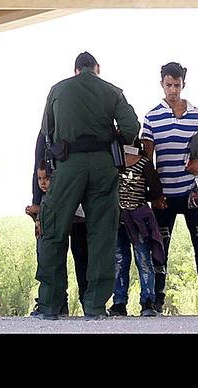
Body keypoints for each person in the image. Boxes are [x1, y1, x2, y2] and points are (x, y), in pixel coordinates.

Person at [34, 51, 141, 320]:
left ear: (75, 70)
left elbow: (48, 130)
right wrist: (115, 138)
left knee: (54, 229)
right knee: (102, 235)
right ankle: (94, 306)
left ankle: (49, 305)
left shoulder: (58, 89)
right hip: (104, 165)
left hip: (69, 165)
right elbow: (131, 126)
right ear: (97, 68)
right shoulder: (113, 91)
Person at [140, 61, 198, 315]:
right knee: (159, 249)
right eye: (169, 85)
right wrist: (154, 194)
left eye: (177, 85)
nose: (173, 90)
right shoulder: (151, 117)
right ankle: (154, 301)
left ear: (183, 84)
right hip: (165, 196)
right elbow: (147, 158)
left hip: (193, 192)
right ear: (162, 84)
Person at [28, 132, 87, 312]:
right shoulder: (47, 131)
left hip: (80, 205)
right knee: (50, 256)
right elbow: (39, 164)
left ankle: (89, 302)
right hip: (52, 205)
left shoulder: (86, 125)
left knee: (84, 258)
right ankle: (56, 302)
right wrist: (37, 207)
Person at [110, 142, 164, 317]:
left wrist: (139, 198)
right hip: (120, 218)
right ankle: (119, 301)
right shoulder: (113, 161)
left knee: (142, 258)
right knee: (121, 259)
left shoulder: (142, 163)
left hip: (137, 218)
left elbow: (156, 190)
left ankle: (147, 299)